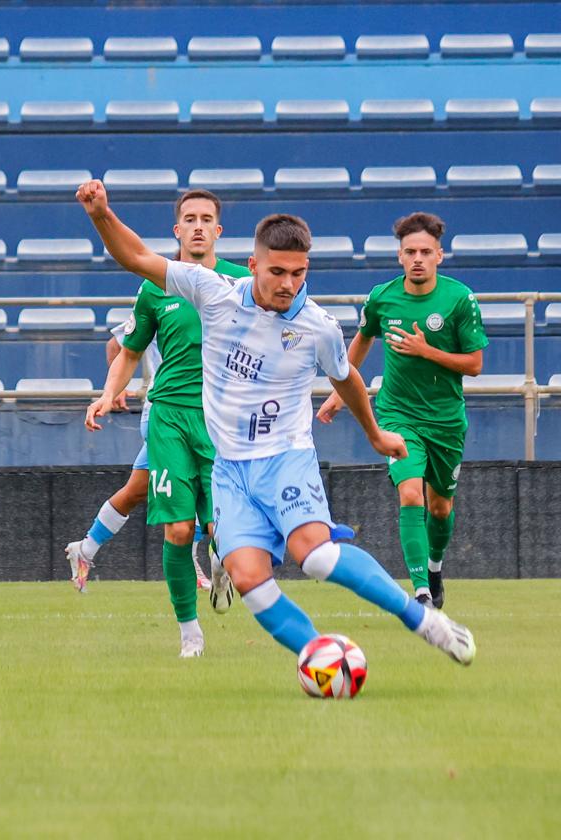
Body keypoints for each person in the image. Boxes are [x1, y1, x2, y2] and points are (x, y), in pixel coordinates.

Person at [77, 178, 476, 668]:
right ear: (252, 266)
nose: (289, 284)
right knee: (246, 577)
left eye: (299, 272)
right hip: (230, 470)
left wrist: (374, 433)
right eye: (278, 272)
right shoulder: (213, 292)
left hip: (285, 458)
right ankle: (318, 656)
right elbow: (136, 256)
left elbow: (346, 377)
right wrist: (100, 214)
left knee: (316, 556)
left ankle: (423, 619)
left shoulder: (318, 327)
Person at [66, 189, 251, 618]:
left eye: (207, 219)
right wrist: (109, 394)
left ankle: (88, 547)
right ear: (178, 230)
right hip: (167, 411)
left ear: (219, 231)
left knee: (137, 491)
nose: (199, 226)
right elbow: (124, 347)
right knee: (177, 518)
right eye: (191, 219)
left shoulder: (241, 283)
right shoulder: (157, 285)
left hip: (223, 419)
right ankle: (193, 595)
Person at [318, 213, 485, 608]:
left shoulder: (460, 299)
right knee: (411, 494)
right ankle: (421, 592)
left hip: (445, 420)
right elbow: (360, 342)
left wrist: (426, 351)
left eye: (426, 252)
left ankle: (435, 565)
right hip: (397, 414)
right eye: (410, 251)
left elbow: (475, 364)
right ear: (399, 255)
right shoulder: (382, 297)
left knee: (440, 508)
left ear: (440, 256)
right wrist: (341, 392)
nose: (418, 259)